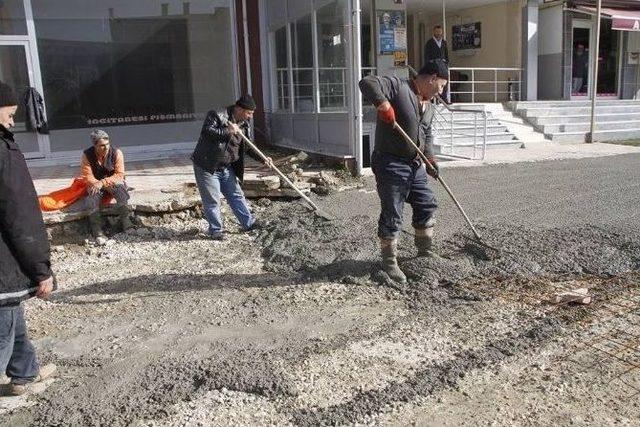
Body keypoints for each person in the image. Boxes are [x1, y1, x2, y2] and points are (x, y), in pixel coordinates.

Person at [359, 59, 449, 284]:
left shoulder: (429, 105)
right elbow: (367, 82)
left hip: (415, 164)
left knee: (426, 203)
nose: (442, 90)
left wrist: (429, 158)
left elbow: (425, 134)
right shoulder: (399, 87)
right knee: (393, 212)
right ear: (432, 78)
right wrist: (382, 104)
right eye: (442, 85)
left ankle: (425, 251)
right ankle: (389, 263)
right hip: (390, 163)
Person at [0, 81, 57, 396]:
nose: (12, 122)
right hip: (2, 263)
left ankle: (24, 372)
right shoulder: (3, 149)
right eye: (8, 116)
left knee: (10, 311)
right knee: (3, 328)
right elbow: (20, 213)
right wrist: (41, 269)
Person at [191, 94, 272, 240]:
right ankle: (216, 231)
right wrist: (228, 131)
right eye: (249, 113)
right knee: (212, 200)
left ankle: (248, 223)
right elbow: (208, 132)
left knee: (236, 195)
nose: (250, 117)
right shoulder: (217, 115)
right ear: (239, 109)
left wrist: (263, 159)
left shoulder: (244, 124)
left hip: (226, 167)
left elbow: (247, 147)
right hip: (207, 166)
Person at [80, 129, 132, 242]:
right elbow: (87, 176)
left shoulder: (117, 153)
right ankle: (97, 231)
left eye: (107, 144)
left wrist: (103, 183)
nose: (106, 147)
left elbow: (119, 174)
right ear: (95, 146)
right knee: (92, 197)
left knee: (121, 191)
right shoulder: (86, 155)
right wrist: (96, 184)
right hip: (95, 183)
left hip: (112, 181)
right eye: (102, 145)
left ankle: (127, 223)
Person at [423, 25, 450, 103]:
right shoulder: (429, 43)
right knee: (434, 82)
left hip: (442, 65)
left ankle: (444, 99)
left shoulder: (444, 42)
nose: (438, 33)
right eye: (437, 32)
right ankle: (434, 100)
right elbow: (427, 55)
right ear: (434, 32)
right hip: (434, 65)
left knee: (444, 81)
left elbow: (446, 54)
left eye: (440, 32)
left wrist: (447, 63)